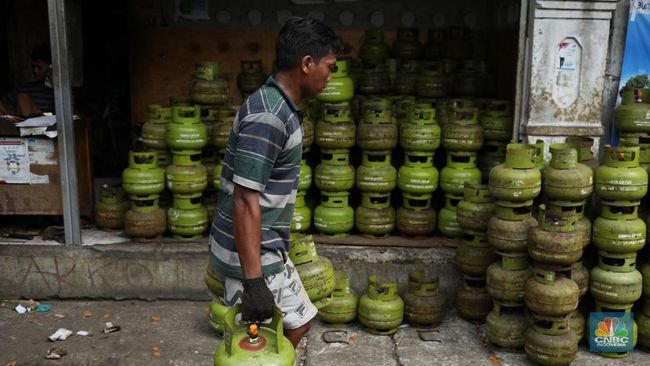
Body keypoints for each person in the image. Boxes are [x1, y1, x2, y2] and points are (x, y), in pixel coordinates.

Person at [208, 16, 341, 347]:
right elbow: (244, 199)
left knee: (297, 323)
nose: (331, 75)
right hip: (252, 258)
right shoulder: (268, 115)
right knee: (260, 342)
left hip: (266, 249)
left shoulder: (281, 106)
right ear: (307, 64)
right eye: (330, 66)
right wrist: (254, 282)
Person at [0, 44, 55, 118]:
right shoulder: (24, 87)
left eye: (39, 67)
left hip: (49, 123)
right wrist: (7, 115)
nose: (35, 71)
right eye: (33, 67)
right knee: (22, 97)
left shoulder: (59, 90)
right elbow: (3, 102)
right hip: (26, 123)